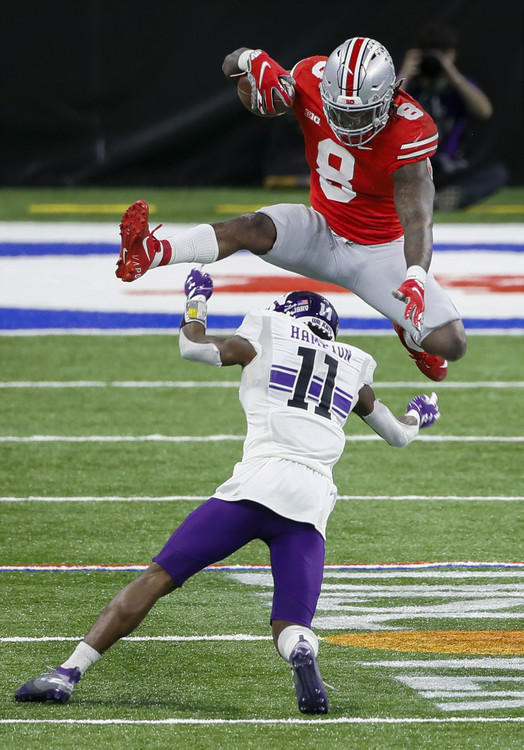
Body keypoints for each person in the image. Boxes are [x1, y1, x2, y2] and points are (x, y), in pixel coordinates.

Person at [15, 269, 441, 715]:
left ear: (288, 315)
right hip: (312, 498)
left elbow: (193, 346)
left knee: (158, 577)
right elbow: (397, 435)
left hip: (258, 482)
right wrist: (419, 414)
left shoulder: (269, 330)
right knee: (292, 623)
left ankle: (67, 671)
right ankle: (300, 649)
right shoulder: (352, 364)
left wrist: (196, 302)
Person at [115, 37, 467, 383]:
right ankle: (151, 251)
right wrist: (250, 60)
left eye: (359, 114)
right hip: (321, 229)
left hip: (379, 252)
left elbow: (418, 216)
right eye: (340, 111)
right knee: (250, 227)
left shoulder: (410, 129)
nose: (349, 124)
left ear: (389, 96)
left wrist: (415, 277)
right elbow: (232, 64)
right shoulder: (309, 76)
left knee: (451, 344)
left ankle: (411, 337)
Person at [397, 23, 508, 211]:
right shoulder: (409, 88)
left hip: (449, 169)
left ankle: (448, 198)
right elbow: (382, 111)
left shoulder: (460, 87)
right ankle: (422, 196)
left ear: (451, 56)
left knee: (496, 172)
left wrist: (452, 74)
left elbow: (484, 111)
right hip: (414, 164)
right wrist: (404, 74)